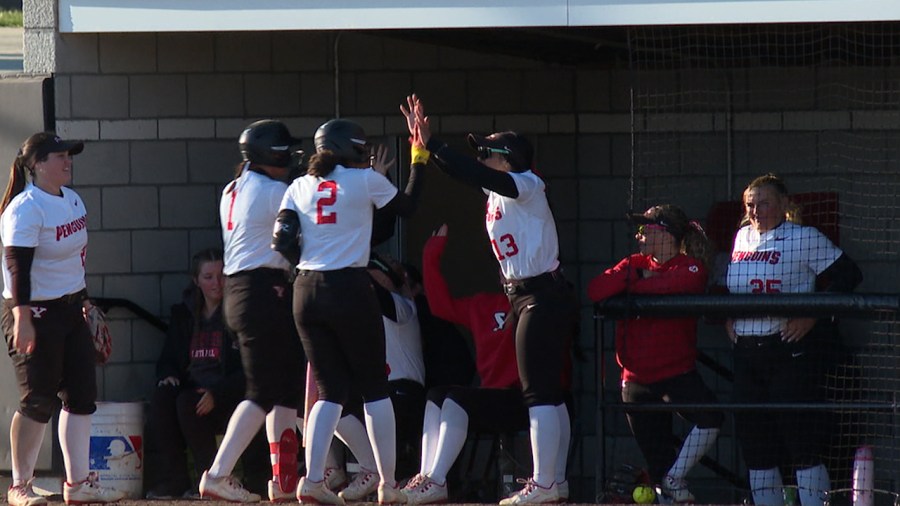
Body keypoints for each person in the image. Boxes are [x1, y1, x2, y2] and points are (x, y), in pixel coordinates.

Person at [404, 95, 578, 504]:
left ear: (508, 158)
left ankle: (546, 481)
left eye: (488, 153)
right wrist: (425, 147)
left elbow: (471, 170)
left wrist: (435, 146)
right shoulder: (496, 190)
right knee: (546, 390)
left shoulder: (527, 184)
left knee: (539, 392)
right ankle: (554, 481)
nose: (481, 158)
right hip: (525, 295)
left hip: (543, 293)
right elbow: (463, 172)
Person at [274, 117, 423, 505]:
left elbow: (281, 239)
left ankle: (312, 480)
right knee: (375, 389)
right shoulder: (364, 180)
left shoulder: (298, 185)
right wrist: (418, 157)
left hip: (305, 289)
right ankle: (388, 485)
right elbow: (408, 206)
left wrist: (307, 262)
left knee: (329, 391)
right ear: (351, 148)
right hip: (349, 287)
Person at [403, 224, 573, 505]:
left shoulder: (541, 306)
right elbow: (441, 306)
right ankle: (428, 477)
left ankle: (437, 479)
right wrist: (430, 257)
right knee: (437, 395)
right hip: (492, 399)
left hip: (528, 399)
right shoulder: (482, 304)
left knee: (457, 399)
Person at [1, 133, 125, 506]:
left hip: (69, 308)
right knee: (38, 399)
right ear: (37, 164)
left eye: (69, 155)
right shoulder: (25, 208)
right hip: (32, 309)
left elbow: (74, 260)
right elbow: (16, 268)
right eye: (59, 156)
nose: (68, 161)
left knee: (81, 397)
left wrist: (84, 300)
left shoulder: (72, 200)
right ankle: (19, 486)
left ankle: (78, 483)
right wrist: (22, 317)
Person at [725, 173, 862, 506]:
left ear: (784, 205)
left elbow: (849, 275)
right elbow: (732, 288)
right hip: (746, 352)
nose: (756, 211)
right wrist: (728, 316)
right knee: (755, 442)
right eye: (750, 204)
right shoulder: (742, 237)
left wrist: (812, 314)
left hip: (786, 349)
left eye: (765, 203)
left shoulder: (804, 237)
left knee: (801, 440)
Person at [199, 120, 306, 503]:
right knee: (262, 391)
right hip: (261, 289)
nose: (290, 158)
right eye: (283, 152)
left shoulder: (234, 187)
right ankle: (218, 473)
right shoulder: (274, 189)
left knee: (285, 389)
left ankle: (283, 479)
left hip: (245, 291)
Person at [587, 205, 724, 503]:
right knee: (657, 460)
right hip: (636, 379)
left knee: (711, 415)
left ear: (668, 235)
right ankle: (670, 486)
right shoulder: (634, 263)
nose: (640, 237)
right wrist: (639, 274)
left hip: (676, 373)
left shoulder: (690, 266)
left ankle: (676, 478)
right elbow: (596, 290)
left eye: (646, 230)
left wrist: (634, 285)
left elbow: (679, 283)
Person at [144, 248, 268, 499]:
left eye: (221, 275)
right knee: (168, 398)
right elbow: (168, 357)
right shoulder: (185, 314)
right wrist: (167, 374)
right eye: (208, 277)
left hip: (230, 393)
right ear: (196, 280)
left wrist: (218, 393)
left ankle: (220, 477)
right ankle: (179, 481)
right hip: (193, 393)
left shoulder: (237, 312)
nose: (216, 283)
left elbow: (251, 368)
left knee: (192, 404)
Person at [368, 254, 426, 483]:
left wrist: (352, 261)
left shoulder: (402, 305)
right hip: (388, 391)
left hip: (405, 393)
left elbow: (375, 291)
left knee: (401, 460)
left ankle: (379, 476)